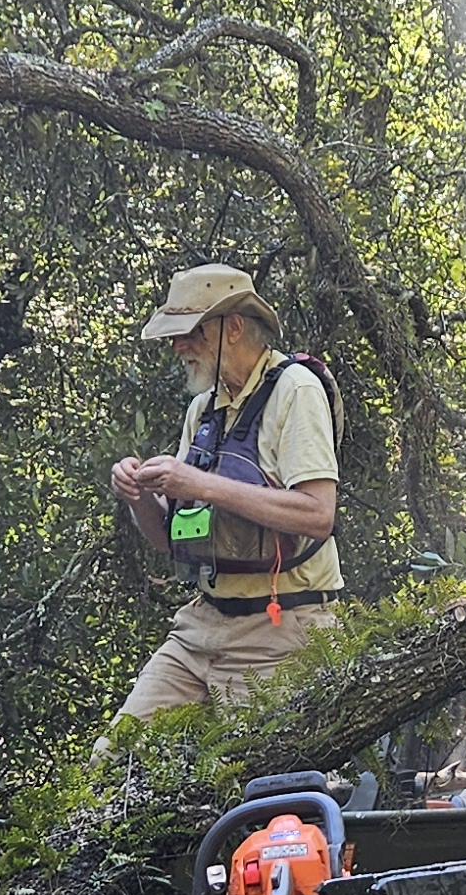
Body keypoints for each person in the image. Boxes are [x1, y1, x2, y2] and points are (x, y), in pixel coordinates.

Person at [107, 264, 343, 717]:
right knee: (115, 762)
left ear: (233, 327)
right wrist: (138, 495)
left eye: (190, 331)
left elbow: (318, 514)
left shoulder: (296, 391)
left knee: (253, 778)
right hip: (201, 626)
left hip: (279, 632)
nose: (178, 346)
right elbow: (169, 541)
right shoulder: (204, 409)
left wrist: (200, 484)